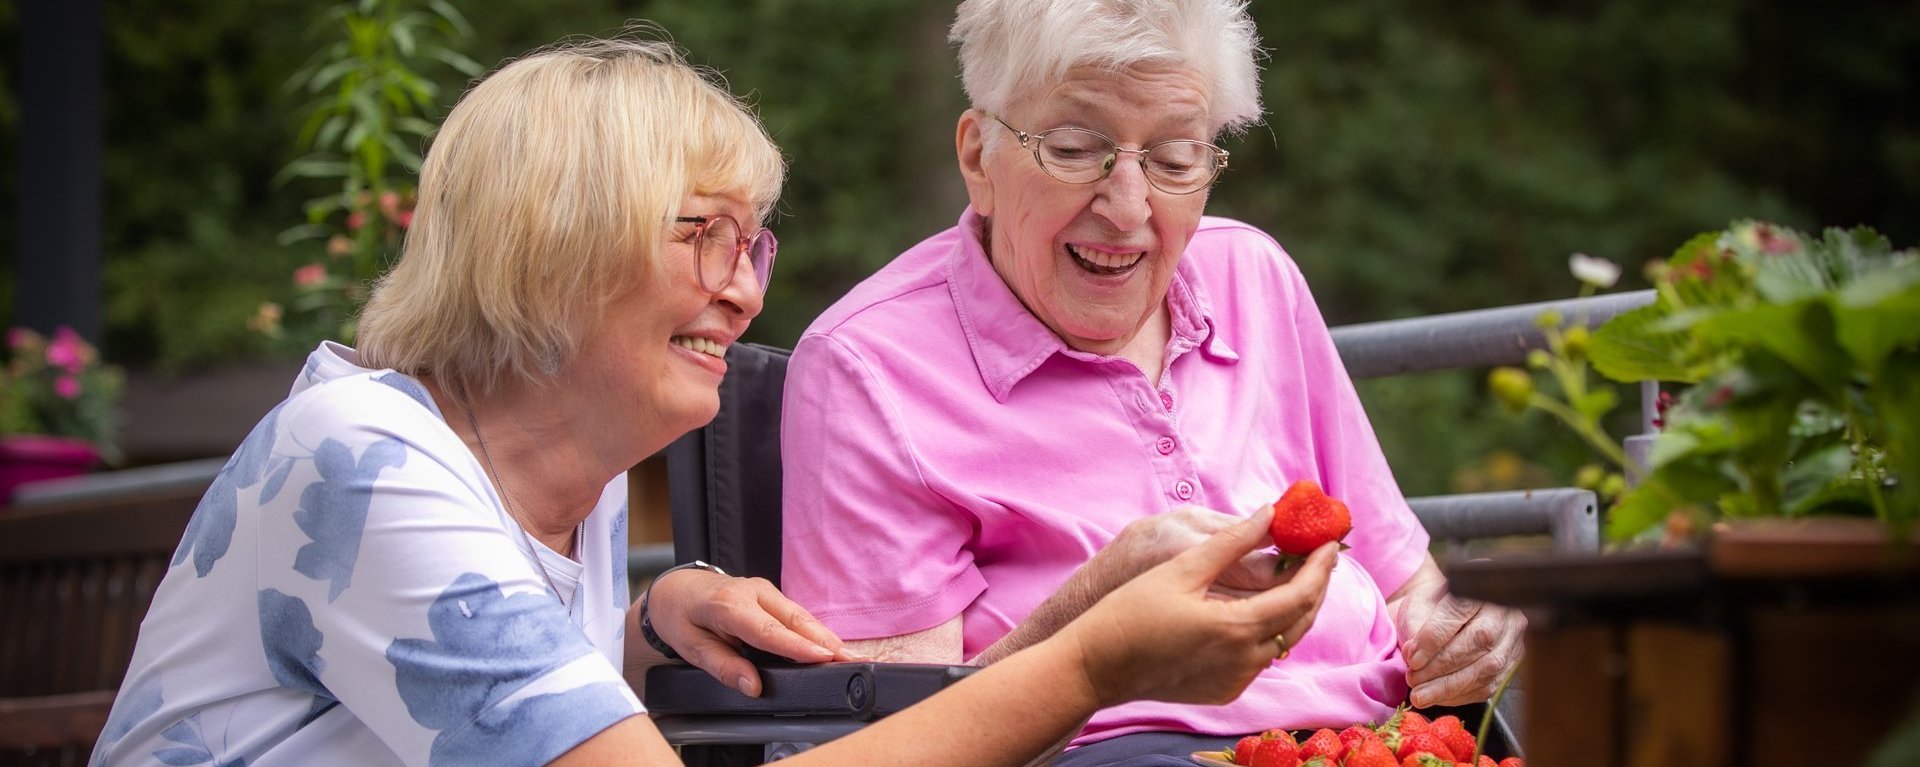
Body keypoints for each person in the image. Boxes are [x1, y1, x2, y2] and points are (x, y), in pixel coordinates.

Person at [90, 33, 1341, 767]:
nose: (743, 294)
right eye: (704, 236)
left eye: (756, 246)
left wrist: (637, 622)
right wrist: (1097, 661)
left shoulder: (531, 492)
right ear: (551, 247)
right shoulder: (364, 464)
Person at [778, 0, 1527, 763]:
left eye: (1174, 160)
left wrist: (1465, 629)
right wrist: (1101, 601)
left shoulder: (1254, 275)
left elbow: (1409, 589)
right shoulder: (868, 365)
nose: (1129, 207)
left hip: (1381, 742)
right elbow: (898, 746)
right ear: (979, 158)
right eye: (1074, 148)